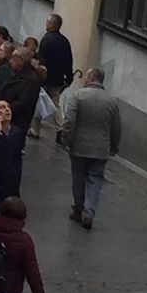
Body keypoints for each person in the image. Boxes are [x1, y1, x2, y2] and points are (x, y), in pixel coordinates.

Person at [61, 68, 121, 230]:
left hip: (79, 146)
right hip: (101, 149)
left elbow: (69, 120)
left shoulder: (79, 96)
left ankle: (78, 209)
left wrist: (67, 139)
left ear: (90, 78)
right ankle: (89, 213)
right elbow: (116, 128)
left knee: (78, 177)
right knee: (95, 179)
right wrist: (113, 146)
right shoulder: (111, 101)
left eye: (86, 76)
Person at [39, 14, 74, 141]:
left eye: (48, 23)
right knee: (55, 103)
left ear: (52, 25)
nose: (46, 25)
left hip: (45, 77)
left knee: (39, 101)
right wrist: (69, 77)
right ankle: (60, 128)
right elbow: (69, 61)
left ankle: (35, 128)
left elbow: (41, 58)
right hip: (58, 78)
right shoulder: (64, 41)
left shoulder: (46, 39)